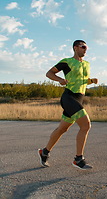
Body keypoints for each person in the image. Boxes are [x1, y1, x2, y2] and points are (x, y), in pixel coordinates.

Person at [38, 40, 98, 170]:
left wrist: (91, 81)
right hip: (69, 97)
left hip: (79, 98)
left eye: (86, 47)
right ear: (75, 48)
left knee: (62, 129)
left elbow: (80, 80)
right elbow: (49, 73)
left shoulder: (87, 64)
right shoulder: (67, 61)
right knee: (86, 125)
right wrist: (60, 80)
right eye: (83, 47)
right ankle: (78, 159)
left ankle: (44, 152)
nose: (85, 49)